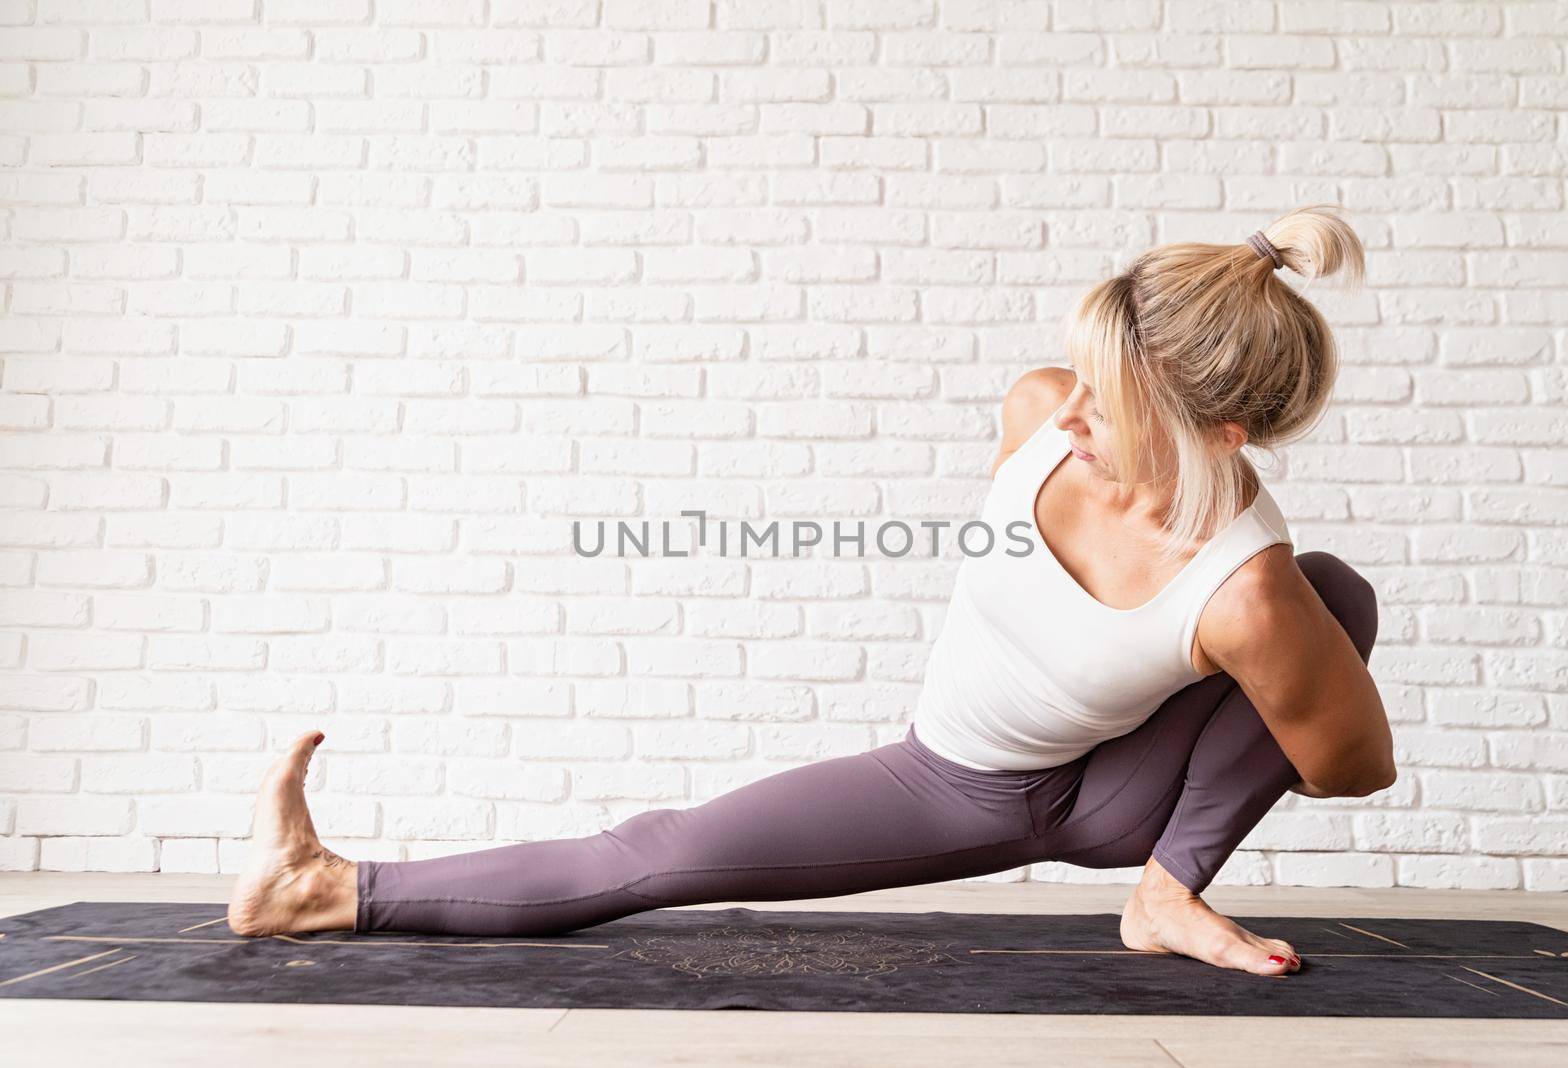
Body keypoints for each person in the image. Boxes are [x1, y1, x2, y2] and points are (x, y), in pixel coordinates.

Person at [227, 205, 1395, 977]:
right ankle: (318, 887)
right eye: (1085, 378)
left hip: (1115, 803)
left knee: (1325, 595)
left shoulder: (1244, 586)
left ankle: (1162, 897)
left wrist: (1263, 661)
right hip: (953, 778)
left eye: (1113, 403)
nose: (1072, 412)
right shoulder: (1042, 417)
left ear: (1222, 434)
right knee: (651, 853)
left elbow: (1351, 764)